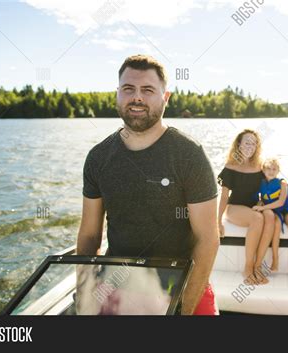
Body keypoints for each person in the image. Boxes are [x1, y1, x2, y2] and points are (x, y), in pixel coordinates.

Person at [76, 54, 220, 315]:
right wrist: (83, 293)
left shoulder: (189, 154)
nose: (137, 97)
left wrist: (183, 309)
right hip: (120, 286)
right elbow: (89, 235)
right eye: (128, 89)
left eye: (148, 90)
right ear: (117, 94)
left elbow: (208, 239)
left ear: (165, 98)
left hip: (185, 285)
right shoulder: (98, 157)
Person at [217, 129, 274, 285]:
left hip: (254, 207)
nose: (251, 146)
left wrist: (266, 203)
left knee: (269, 216)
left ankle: (257, 267)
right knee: (257, 218)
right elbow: (223, 197)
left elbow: (269, 188)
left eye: (254, 143)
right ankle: (247, 268)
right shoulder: (231, 166)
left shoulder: (260, 166)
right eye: (247, 142)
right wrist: (218, 221)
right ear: (239, 144)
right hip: (234, 207)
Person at [252, 158, 288, 277]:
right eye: (268, 168)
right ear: (263, 169)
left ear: (278, 170)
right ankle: (275, 262)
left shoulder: (282, 183)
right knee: (276, 227)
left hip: (287, 209)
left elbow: (280, 202)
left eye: (274, 169)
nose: (271, 171)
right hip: (274, 211)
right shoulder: (261, 183)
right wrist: (259, 204)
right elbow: (257, 199)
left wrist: (263, 208)